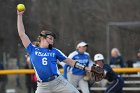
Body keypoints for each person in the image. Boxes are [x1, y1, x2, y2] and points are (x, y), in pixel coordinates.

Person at [17, 8, 91, 93]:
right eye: (50, 38)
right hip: (42, 86)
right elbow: (22, 34)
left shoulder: (54, 51)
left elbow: (70, 62)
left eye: (53, 39)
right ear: (42, 38)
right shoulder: (32, 49)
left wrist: (87, 68)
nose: (52, 40)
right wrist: (19, 16)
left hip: (58, 82)